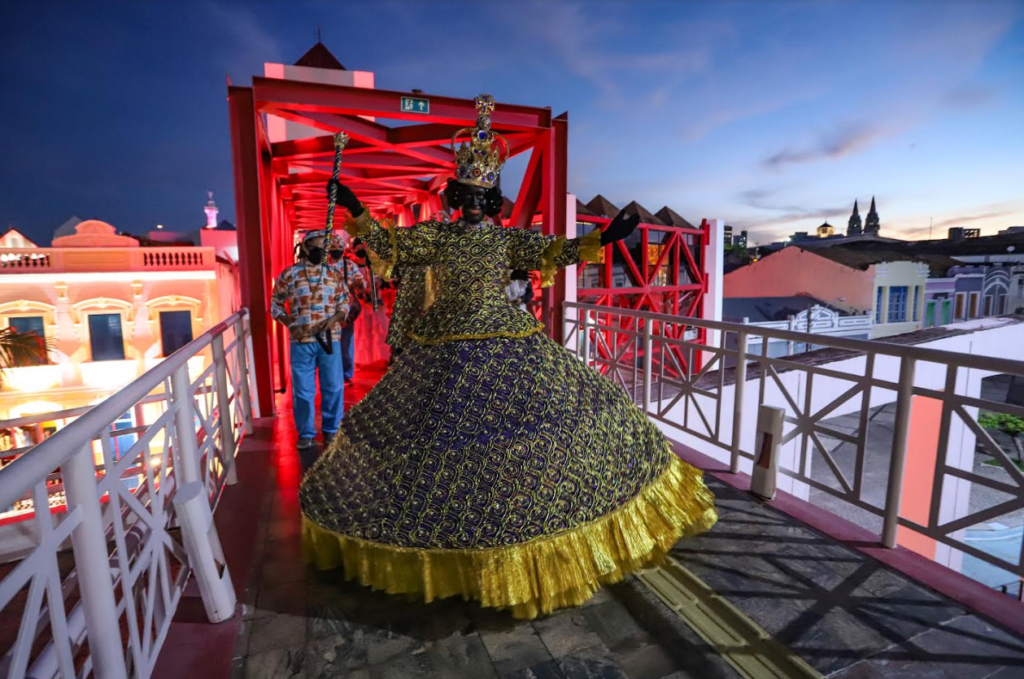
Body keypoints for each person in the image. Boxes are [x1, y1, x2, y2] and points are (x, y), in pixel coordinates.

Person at [300, 95, 716, 619]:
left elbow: (552, 253)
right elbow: (390, 245)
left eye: (483, 194)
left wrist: (604, 238)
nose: (474, 202)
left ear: (492, 198)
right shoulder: (434, 235)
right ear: (455, 194)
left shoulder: (505, 242)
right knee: (437, 441)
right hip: (443, 347)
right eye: (467, 193)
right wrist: (356, 207)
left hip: (508, 338)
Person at [271, 230, 354, 450]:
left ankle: (331, 430)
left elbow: (345, 301)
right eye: (316, 248)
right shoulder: (289, 275)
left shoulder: (333, 274)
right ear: (305, 248)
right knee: (303, 391)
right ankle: (306, 433)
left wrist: (335, 319)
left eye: (323, 248)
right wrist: (290, 324)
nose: (320, 252)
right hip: (301, 342)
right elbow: (275, 303)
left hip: (330, 339)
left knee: (334, 387)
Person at [329, 242, 367, 387]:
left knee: (344, 343)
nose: (336, 252)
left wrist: (357, 283)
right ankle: (336, 374)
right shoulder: (324, 266)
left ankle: (345, 374)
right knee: (334, 343)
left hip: (346, 308)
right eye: (334, 249)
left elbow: (362, 283)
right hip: (330, 309)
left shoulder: (349, 266)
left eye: (338, 249)